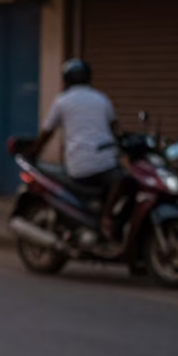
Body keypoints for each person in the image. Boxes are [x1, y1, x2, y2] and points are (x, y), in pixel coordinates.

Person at [33, 58, 121, 237]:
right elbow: (116, 129)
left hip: (77, 167)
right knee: (121, 179)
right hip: (105, 164)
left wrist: (33, 151)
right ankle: (106, 218)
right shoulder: (101, 99)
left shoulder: (62, 101)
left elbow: (47, 133)